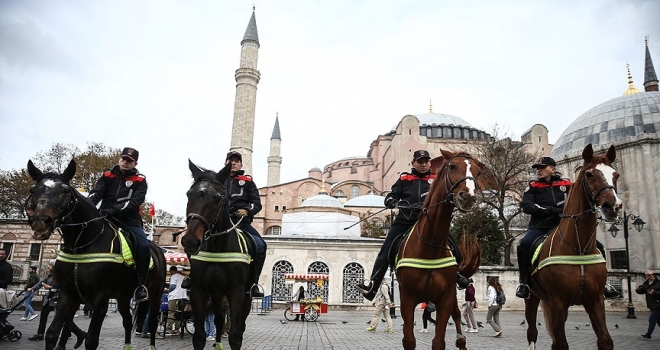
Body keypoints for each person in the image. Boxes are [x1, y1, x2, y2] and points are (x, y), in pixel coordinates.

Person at [357, 150, 469, 300]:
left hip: (430, 222)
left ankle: (458, 275)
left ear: (430, 163)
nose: (423, 165)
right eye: (420, 162)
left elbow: (446, 196)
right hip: (405, 220)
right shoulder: (404, 179)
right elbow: (392, 195)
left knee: (454, 247)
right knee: (386, 249)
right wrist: (392, 201)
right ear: (413, 163)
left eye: (426, 162)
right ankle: (372, 286)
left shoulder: (436, 179)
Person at [515, 157, 618, 299]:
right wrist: (550, 210)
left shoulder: (568, 185)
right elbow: (527, 206)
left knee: (598, 247)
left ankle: (604, 284)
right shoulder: (533, 186)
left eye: (542, 167)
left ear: (552, 169)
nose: (539, 170)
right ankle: (524, 283)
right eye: (537, 168)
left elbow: (579, 200)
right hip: (542, 227)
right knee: (524, 245)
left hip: (566, 226)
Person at [88, 147, 150, 302]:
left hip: (129, 221)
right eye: (123, 159)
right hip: (104, 218)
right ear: (119, 159)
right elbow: (96, 193)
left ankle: (141, 286)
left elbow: (135, 201)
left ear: (135, 163)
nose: (125, 162)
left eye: (129, 161)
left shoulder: (140, 180)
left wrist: (113, 210)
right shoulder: (107, 175)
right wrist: (88, 206)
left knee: (143, 246)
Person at [225, 151, 267, 298]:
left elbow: (257, 204)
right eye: (231, 161)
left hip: (240, 223)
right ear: (226, 163)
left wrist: (247, 211)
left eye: (236, 161)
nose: (233, 163)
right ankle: (192, 277)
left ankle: (253, 284)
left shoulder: (247, 182)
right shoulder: (218, 180)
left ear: (241, 164)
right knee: (195, 239)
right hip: (220, 222)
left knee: (261, 246)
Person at [28, 260, 86, 349]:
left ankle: (75, 335)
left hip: (59, 300)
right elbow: (41, 283)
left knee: (62, 320)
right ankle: (40, 334)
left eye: (50, 265)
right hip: (50, 299)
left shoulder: (63, 275)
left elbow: (61, 287)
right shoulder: (50, 275)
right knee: (44, 316)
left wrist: (49, 287)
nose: (48, 267)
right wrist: (32, 288)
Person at [636, 270, 660, 340]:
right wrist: (638, 289)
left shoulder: (658, 282)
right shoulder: (646, 283)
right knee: (659, 321)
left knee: (652, 320)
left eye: (652, 274)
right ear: (646, 276)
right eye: (649, 275)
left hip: (658, 304)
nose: (651, 276)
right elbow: (642, 291)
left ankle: (648, 335)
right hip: (651, 304)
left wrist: (654, 292)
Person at [166, 266, 187, 335]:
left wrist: (168, 291)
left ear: (172, 271)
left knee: (171, 312)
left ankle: (169, 329)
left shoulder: (174, 276)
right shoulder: (183, 277)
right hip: (183, 297)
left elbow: (172, 286)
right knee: (179, 313)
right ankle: (177, 329)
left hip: (174, 297)